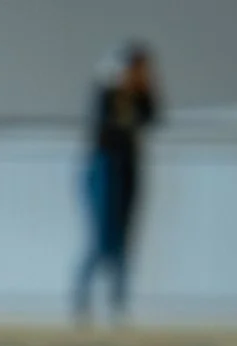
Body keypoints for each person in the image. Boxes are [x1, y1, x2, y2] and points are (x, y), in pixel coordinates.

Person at [75, 41, 160, 321]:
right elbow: (104, 125)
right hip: (105, 165)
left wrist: (145, 89)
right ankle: (83, 300)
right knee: (102, 238)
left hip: (129, 166)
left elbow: (153, 117)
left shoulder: (140, 96)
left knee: (124, 238)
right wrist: (117, 87)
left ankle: (118, 302)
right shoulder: (108, 92)